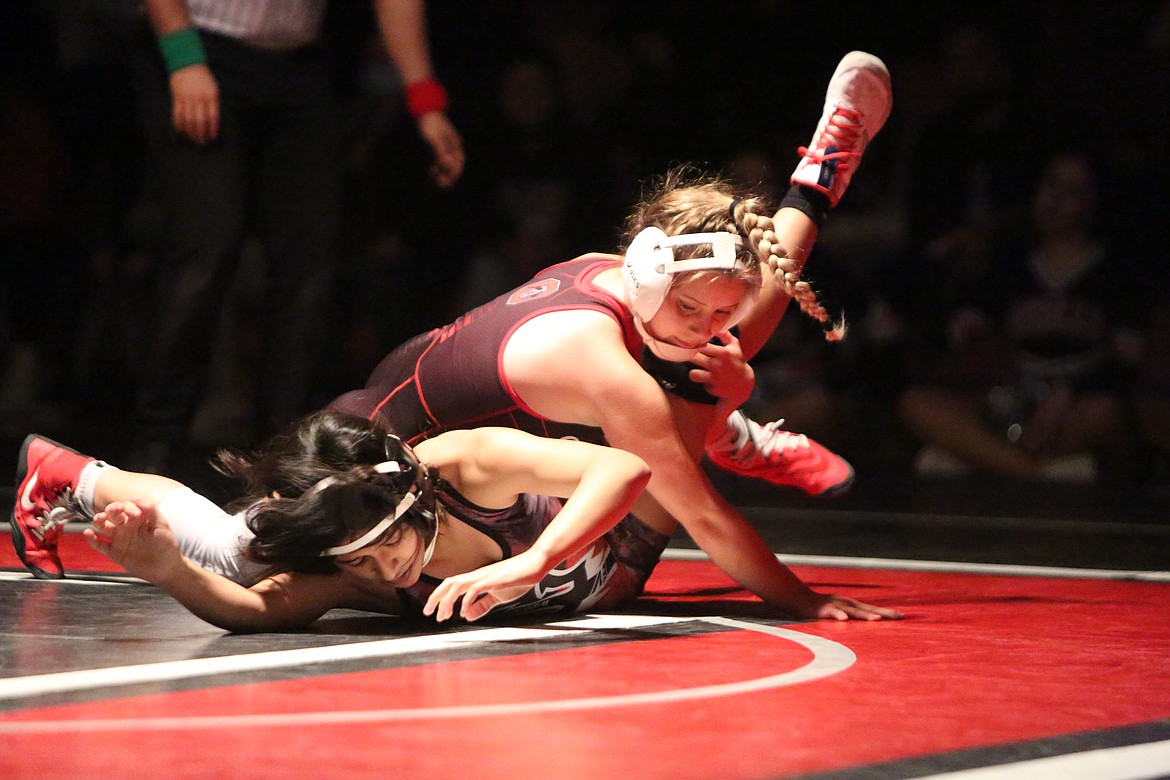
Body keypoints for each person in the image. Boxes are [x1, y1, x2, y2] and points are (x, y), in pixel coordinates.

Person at [323, 51, 894, 618]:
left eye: (723, 311)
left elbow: (709, 304)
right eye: (690, 306)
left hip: (438, 440)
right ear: (646, 273)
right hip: (438, 483)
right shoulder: (602, 362)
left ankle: (818, 180)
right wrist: (806, 601)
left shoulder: (605, 269)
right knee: (706, 373)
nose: (705, 327)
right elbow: (705, 518)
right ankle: (725, 423)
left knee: (708, 354)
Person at [11, 411, 899, 631]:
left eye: (385, 546)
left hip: (593, 532)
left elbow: (624, 466)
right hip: (332, 483)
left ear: (415, 506)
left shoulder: (466, 467)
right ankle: (73, 473)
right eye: (356, 565)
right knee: (229, 550)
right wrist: (163, 567)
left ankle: (730, 422)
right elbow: (259, 612)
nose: (383, 574)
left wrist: (800, 600)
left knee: (667, 443)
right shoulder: (350, 559)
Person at [131, 0, 464, 470]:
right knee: (206, 252)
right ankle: (155, 443)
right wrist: (185, 59)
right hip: (201, 46)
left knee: (309, 268)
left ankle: (282, 454)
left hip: (298, 66)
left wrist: (426, 105)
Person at [898, 149, 1147, 482]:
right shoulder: (1010, 267)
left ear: (1096, 201)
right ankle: (1030, 472)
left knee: (1107, 411)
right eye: (1050, 185)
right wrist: (940, 267)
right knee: (916, 403)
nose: (1054, 200)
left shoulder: (1118, 271)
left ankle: (989, 462)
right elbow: (954, 332)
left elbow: (1128, 361)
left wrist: (1070, 393)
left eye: (1073, 191)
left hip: (1079, 405)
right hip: (1017, 402)